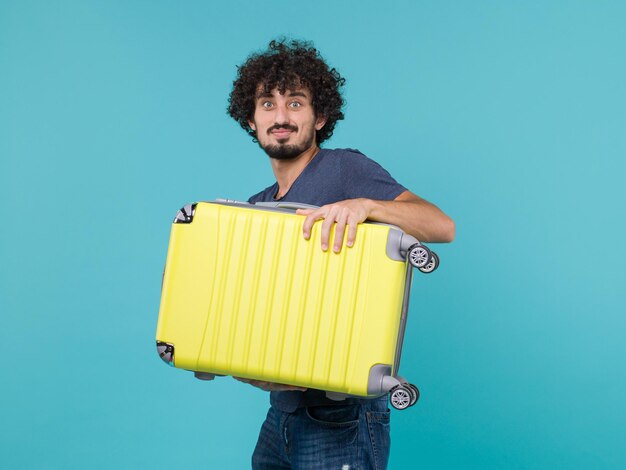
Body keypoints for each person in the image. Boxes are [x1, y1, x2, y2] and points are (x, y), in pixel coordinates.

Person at [227, 39, 455, 470]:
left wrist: (367, 206)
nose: (281, 116)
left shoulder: (344, 169)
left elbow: (441, 225)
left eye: (296, 103)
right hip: (282, 416)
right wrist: (245, 368)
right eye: (268, 104)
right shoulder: (256, 208)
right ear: (251, 120)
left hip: (342, 419)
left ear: (320, 117)